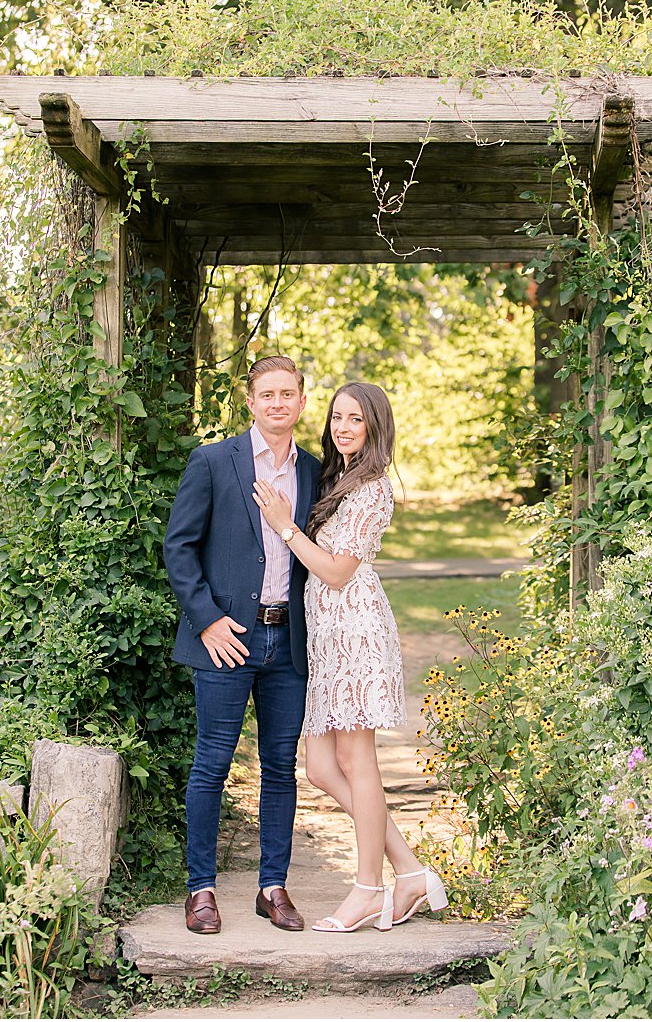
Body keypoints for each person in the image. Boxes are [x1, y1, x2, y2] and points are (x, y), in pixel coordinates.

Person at [252, 382, 448, 933]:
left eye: (355, 420)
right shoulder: (337, 479)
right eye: (337, 417)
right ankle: (408, 871)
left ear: (374, 427)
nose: (342, 428)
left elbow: (337, 571)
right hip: (324, 636)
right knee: (319, 767)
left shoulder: (372, 491)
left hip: (355, 631)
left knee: (358, 760)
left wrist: (284, 526)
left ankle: (368, 889)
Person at [164, 354, 323, 935]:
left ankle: (272, 887)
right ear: (250, 401)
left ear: (302, 402)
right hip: (226, 638)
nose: (279, 403)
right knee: (212, 763)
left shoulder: (313, 472)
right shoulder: (212, 461)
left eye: (289, 394)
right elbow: (179, 548)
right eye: (268, 394)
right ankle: (200, 890)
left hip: (288, 641)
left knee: (281, 767)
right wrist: (206, 620)